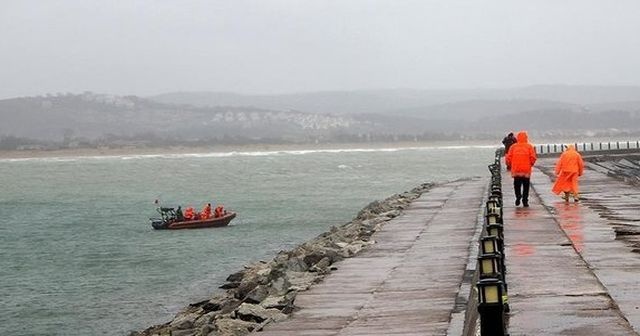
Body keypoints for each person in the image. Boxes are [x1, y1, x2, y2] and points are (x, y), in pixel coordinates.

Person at [505, 131, 537, 207]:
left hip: (516, 169)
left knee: (517, 185)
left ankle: (518, 196)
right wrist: (531, 164)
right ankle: (525, 201)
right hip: (526, 169)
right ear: (526, 138)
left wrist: (510, 165)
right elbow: (533, 157)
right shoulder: (529, 147)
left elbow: (508, 158)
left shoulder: (513, 147)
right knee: (526, 186)